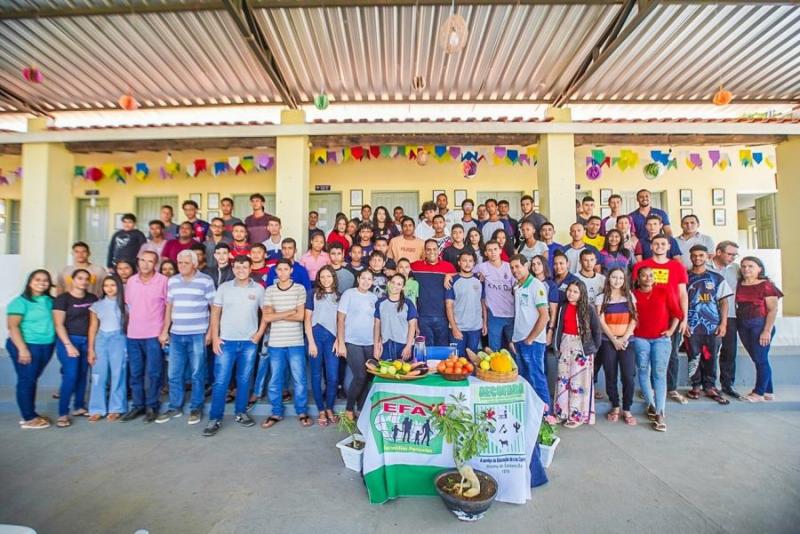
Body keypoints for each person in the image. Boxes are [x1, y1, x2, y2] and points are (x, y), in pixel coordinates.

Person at [203, 256, 266, 437]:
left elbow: (266, 314)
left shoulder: (259, 289)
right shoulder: (224, 288)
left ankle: (241, 413)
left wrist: (258, 334)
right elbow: (215, 314)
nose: (241, 270)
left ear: (250, 268)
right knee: (221, 381)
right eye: (238, 267)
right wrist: (215, 337)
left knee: (244, 380)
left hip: (248, 343)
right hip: (226, 341)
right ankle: (215, 418)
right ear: (233, 268)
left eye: (244, 267)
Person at [156, 250, 215, 425]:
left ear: (195, 264)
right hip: (176, 334)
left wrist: (211, 332)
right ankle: (175, 407)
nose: (181, 265)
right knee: (174, 373)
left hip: (198, 333)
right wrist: (165, 329)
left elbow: (214, 309)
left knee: (197, 373)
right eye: (180, 262)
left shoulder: (206, 280)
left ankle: (196, 407)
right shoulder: (173, 281)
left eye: (186, 263)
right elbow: (169, 307)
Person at [632, 235, 689, 405]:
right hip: (647, 319)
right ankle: (649, 389)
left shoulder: (676, 266)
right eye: (656, 243)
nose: (659, 246)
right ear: (651, 245)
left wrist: (683, 318)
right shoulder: (641, 266)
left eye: (663, 244)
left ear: (669, 246)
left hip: (672, 317)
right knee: (646, 360)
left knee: (670, 356)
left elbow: (682, 293)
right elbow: (635, 293)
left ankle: (670, 389)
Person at [260, 259, 311, 429]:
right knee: (275, 379)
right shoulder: (270, 290)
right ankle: (276, 412)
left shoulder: (299, 289)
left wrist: (277, 314)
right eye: (279, 269)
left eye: (285, 269)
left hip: (295, 341)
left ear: (291, 271)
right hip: (275, 343)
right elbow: (267, 317)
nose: (282, 272)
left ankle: (302, 411)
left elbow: (300, 316)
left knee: (300, 379)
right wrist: (290, 311)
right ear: (276, 272)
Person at [631, 266, 682, 432]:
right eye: (644, 276)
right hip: (640, 338)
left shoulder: (663, 291)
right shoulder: (633, 295)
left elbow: (676, 313)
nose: (648, 278)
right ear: (638, 278)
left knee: (659, 373)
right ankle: (651, 405)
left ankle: (660, 412)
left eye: (651, 275)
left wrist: (671, 331)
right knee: (644, 370)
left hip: (661, 339)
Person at [121, 251, 168, 423]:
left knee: (154, 373)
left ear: (155, 264)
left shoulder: (163, 281)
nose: (145, 264)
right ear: (138, 261)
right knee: (135, 372)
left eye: (150, 261)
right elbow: (128, 306)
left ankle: (152, 406)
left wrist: (165, 331)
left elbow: (169, 307)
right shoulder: (131, 281)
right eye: (142, 260)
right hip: (133, 334)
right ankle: (138, 405)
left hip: (154, 334)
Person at [6, 270, 56, 429]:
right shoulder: (20, 302)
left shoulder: (50, 301)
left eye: (45, 280)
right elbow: (12, 327)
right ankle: (28, 418)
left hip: (46, 345)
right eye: (37, 279)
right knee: (26, 380)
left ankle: (30, 413)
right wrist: (22, 349)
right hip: (26, 345)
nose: (42, 282)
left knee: (32, 378)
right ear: (30, 281)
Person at [685, 245, 732, 404]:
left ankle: (710, 386)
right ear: (690, 257)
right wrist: (683, 323)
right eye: (694, 255)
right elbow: (679, 302)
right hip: (691, 326)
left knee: (711, 357)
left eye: (701, 255)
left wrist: (723, 323)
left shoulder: (717, 278)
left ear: (707, 257)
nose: (697, 258)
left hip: (712, 326)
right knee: (693, 356)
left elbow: (724, 302)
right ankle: (696, 385)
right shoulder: (684, 277)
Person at [52, 268, 98, 427]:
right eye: (80, 278)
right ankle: (63, 413)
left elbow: (94, 322)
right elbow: (58, 325)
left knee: (83, 375)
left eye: (86, 279)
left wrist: (92, 345)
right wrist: (68, 345)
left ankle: (79, 406)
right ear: (73, 280)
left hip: (87, 341)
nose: (83, 281)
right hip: (68, 340)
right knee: (70, 375)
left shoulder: (92, 298)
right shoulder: (62, 299)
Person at [552, 281, 601, 428]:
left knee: (578, 383)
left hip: (581, 348)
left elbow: (596, 330)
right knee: (563, 379)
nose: (571, 294)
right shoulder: (564, 307)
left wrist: (593, 349)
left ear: (581, 294)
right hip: (566, 344)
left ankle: (576, 416)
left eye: (575, 292)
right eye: (569, 291)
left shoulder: (589, 309)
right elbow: (559, 327)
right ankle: (562, 412)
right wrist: (556, 346)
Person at [736, 256, 783, 403]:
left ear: (759, 269)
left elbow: (773, 310)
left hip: (760, 325)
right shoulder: (740, 284)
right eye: (743, 266)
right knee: (758, 358)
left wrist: (766, 331)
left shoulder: (766, 285)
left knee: (760, 359)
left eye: (751, 266)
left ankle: (758, 392)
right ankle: (769, 391)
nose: (746, 269)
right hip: (743, 325)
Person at [596, 268, 638, 426]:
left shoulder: (629, 296)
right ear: (609, 279)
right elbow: (601, 321)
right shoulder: (601, 298)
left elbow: (634, 319)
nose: (617, 280)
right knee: (610, 375)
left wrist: (624, 338)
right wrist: (614, 340)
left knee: (628, 376)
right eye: (614, 277)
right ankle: (615, 405)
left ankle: (627, 408)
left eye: (620, 278)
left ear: (624, 280)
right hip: (608, 342)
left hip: (627, 341)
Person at [337, 269, 378, 420]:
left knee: (368, 377)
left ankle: (361, 409)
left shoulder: (374, 298)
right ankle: (349, 408)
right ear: (358, 278)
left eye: (369, 279)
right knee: (360, 375)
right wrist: (341, 342)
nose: (366, 281)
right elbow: (340, 319)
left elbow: (376, 323)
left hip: (369, 342)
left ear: (372, 281)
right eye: (363, 278)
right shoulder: (349, 294)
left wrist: (377, 342)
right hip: (352, 341)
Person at [509, 255, 550, 407]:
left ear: (526, 266)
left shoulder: (536, 286)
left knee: (537, 379)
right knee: (525, 381)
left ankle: (546, 418)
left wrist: (530, 338)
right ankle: (531, 415)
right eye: (512, 268)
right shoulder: (517, 286)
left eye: (518, 266)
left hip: (533, 342)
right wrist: (515, 338)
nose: (515, 270)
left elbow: (544, 316)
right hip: (520, 340)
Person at [87, 275, 128, 422]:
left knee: (118, 373)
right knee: (99, 375)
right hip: (101, 340)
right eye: (106, 286)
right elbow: (92, 328)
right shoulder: (97, 305)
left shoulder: (126, 304)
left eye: (113, 285)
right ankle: (96, 408)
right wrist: (91, 349)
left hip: (119, 339)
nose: (109, 288)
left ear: (119, 287)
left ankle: (116, 408)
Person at [304, 265, 342, 426]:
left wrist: (339, 340)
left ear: (334, 278)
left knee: (333, 377)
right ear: (319, 279)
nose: (326, 279)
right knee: (316, 375)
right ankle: (321, 409)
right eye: (323, 277)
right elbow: (307, 319)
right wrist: (311, 342)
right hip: (315, 337)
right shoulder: (313, 294)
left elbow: (342, 321)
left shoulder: (340, 296)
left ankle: (329, 408)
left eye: (329, 276)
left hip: (332, 339)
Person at [708, 240, 742, 399]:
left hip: (730, 316)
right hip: (708, 315)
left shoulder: (736, 269)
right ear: (718, 252)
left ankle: (728, 384)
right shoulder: (705, 266)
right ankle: (708, 384)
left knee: (729, 351)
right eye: (730, 254)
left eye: (735, 255)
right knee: (710, 352)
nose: (733, 258)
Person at [411, 240, 456, 346]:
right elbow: (402, 270)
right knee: (426, 350)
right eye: (428, 249)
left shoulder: (448, 267)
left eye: (434, 249)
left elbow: (463, 275)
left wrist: (450, 275)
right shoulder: (415, 266)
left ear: (438, 250)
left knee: (442, 350)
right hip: (422, 316)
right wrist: (392, 271)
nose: (432, 252)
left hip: (443, 316)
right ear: (425, 251)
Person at [474, 240, 515, 350]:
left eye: (495, 249)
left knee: (514, 348)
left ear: (500, 251)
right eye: (489, 250)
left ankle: (516, 368)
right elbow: (465, 273)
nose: (493, 252)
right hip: (494, 314)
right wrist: (449, 275)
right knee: (494, 349)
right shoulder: (481, 267)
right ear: (486, 253)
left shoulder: (510, 267)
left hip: (512, 313)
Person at [445, 250, 486, 356]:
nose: (467, 264)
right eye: (464, 261)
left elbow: (483, 302)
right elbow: (449, 306)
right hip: (458, 328)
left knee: (472, 361)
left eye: (470, 261)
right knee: (457, 362)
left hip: (475, 328)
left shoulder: (479, 279)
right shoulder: (452, 280)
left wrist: (484, 323)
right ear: (459, 263)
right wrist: (454, 328)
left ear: (474, 263)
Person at [374, 273, 418, 361]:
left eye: (399, 284)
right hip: (385, 345)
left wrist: (408, 346)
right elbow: (377, 325)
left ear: (403, 287)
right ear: (389, 283)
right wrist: (376, 345)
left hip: (403, 346)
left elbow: (412, 325)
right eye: (393, 282)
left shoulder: (408, 303)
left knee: (404, 373)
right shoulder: (380, 303)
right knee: (386, 373)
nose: (395, 286)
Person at [547, 251, 580, 333]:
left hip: (566, 321)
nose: (558, 266)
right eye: (555, 264)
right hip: (551, 320)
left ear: (567, 264)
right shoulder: (551, 280)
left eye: (561, 263)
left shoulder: (575, 281)